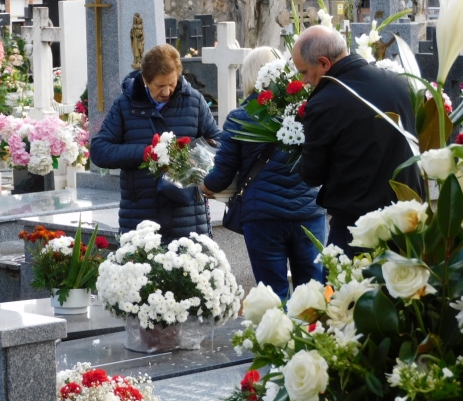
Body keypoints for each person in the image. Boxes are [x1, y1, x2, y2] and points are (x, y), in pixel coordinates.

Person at [202, 47, 325, 301]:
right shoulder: (305, 112)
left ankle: (277, 340)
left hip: (263, 217)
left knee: (272, 295)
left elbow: (222, 175)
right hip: (308, 212)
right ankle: (312, 340)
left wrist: (203, 186)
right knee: (312, 294)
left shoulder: (240, 118)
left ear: (248, 77)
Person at [292, 25, 422, 256]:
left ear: (324, 63)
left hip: (357, 228)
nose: (303, 81)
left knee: (347, 291)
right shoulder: (399, 82)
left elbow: (312, 174)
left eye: (303, 72)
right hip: (408, 220)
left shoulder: (324, 102)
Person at [90, 44, 221, 240]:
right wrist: (145, 153)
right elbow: (99, 150)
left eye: (172, 83)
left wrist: (192, 158)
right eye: (160, 85)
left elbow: (218, 142)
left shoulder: (194, 101)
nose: (167, 91)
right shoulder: (125, 105)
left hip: (187, 216)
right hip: (141, 215)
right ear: (145, 80)